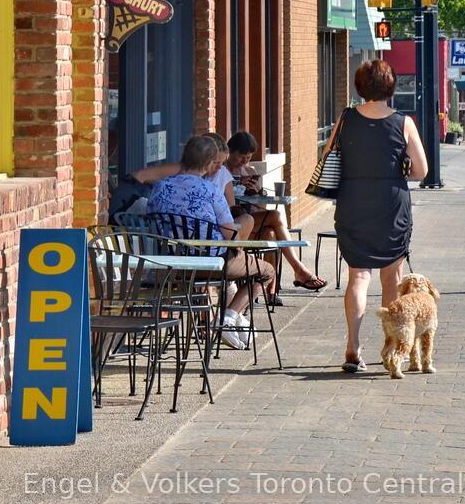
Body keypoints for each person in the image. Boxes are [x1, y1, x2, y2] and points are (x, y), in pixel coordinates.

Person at [333, 60, 429, 373]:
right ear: (390, 86)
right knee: (392, 278)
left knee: (358, 277)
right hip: (391, 205)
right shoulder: (403, 122)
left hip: (354, 202)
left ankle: (352, 346)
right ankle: (391, 348)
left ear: (360, 86)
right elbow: (421, 170)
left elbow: (329, 158)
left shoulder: (346, 119)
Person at [147, 135, 275, 350]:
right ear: (208, 163)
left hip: (174, 263)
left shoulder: (160, 187)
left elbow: (151, 217)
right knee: (266, 271)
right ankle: (228, 317)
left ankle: (229, 315)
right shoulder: (210, 190)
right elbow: (228, 232)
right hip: (212, 262)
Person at [212, 131, 327, 298]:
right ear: (229, 153)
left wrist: (256, 191)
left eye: (249, 157)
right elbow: (228, 208)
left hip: (251, 223)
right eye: (241, 156)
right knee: (276, 217)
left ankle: (271, 291)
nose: (244, 162)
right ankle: (298, 269)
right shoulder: (221, 171)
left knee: (271, 233)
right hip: (234, 227)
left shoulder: (249, 171)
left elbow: (260, 208)